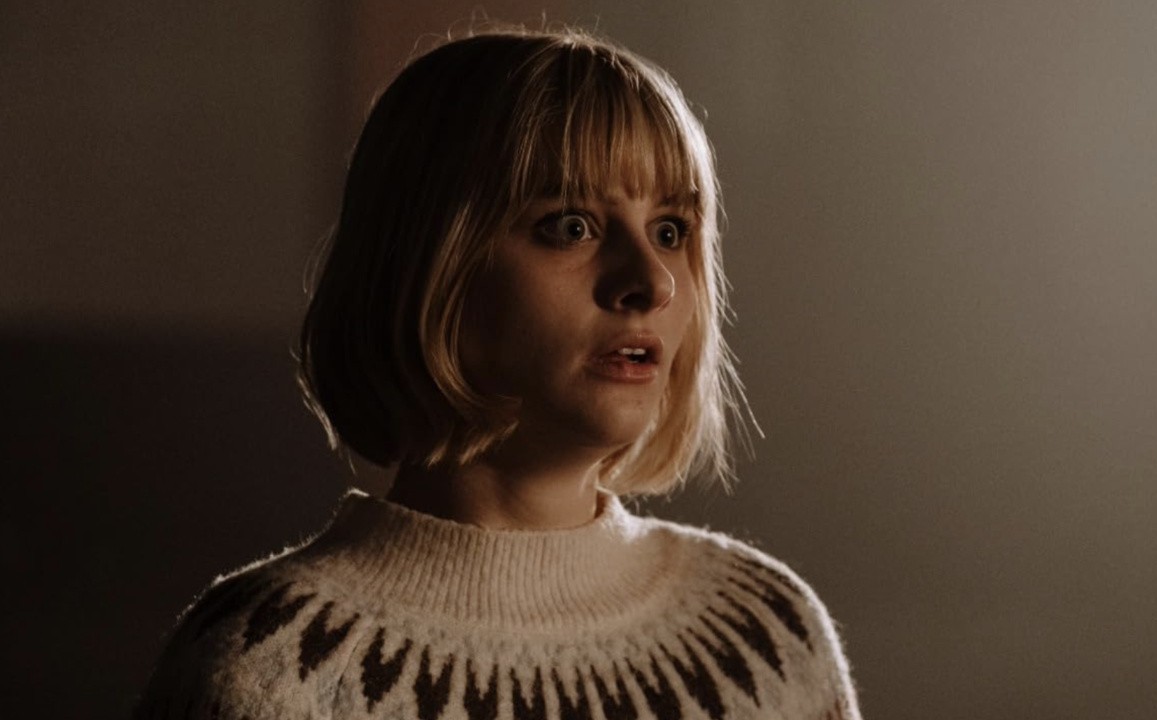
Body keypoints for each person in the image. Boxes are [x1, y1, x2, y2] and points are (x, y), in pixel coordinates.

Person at [136, 27, 862, 720]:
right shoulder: (272, 670)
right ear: (429, 265)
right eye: (570, 226)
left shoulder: (767, 641)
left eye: (670, 231)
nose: (651, 282)